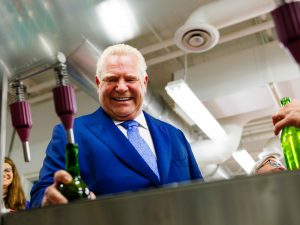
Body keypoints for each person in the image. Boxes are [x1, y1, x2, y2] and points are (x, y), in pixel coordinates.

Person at [30, 44, 203, 208]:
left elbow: (199, 193)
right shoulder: (72, 133)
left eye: (130, 79)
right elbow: (41, 193)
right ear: (98, 84)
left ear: (144, 82)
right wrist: (48, 198)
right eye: (111, 79)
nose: (121, 87)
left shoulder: (175, 135)